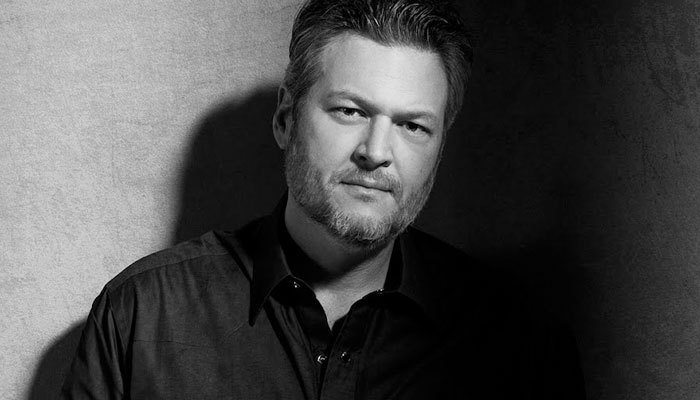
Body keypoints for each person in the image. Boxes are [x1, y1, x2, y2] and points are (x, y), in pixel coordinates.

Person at [61, 0, 586, 398]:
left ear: (440, 149)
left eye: (412, 126)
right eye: (350, 112)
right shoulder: (141, 315)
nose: (376, 152)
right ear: (285, 119)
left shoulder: (524, 346)